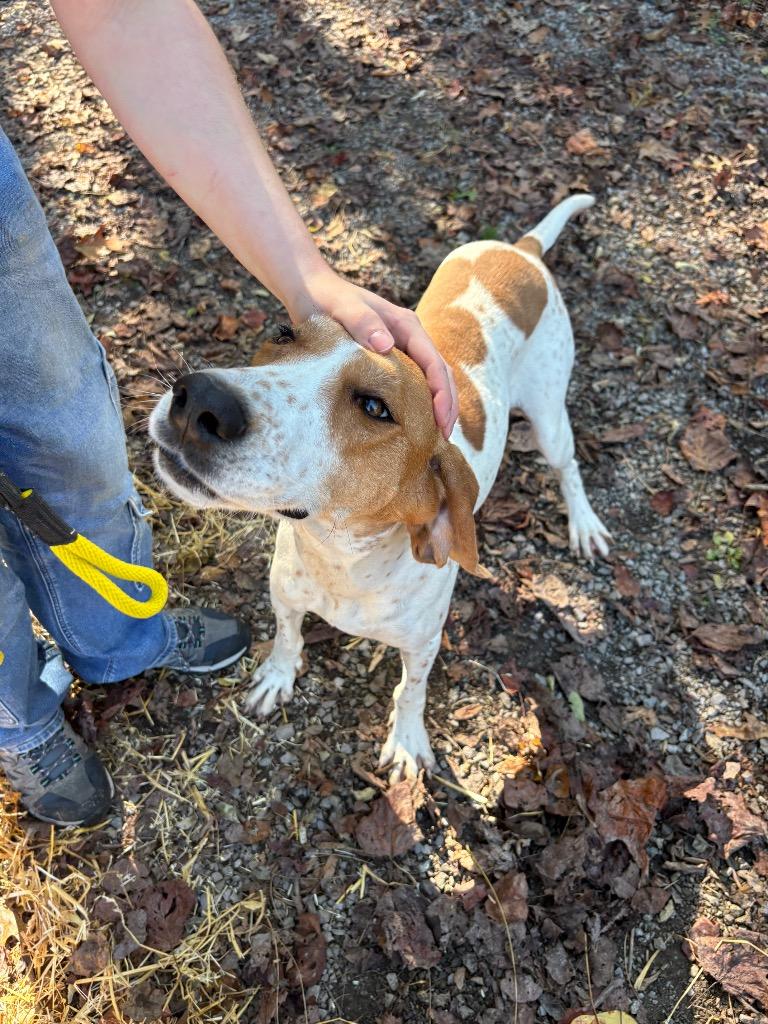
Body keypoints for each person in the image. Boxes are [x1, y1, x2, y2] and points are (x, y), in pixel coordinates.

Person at [0, 0, 457, 828]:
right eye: (285, 339)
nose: (216, 394)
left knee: (71, 442)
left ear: (433, 511)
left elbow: (121, 10)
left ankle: (119, 639)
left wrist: (304, 279)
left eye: (367, 405)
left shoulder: (436, 511)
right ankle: (19, 720)